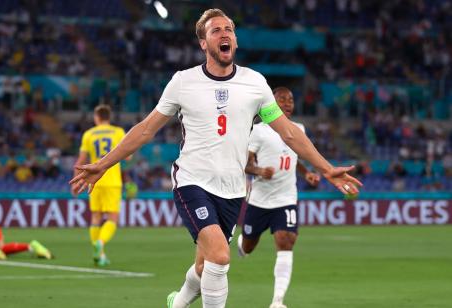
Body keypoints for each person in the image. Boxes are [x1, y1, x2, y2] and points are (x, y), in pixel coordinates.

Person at [70, 9, 361, 308]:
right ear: (203, 43)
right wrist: (103, 164)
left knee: (204, 266)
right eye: (216, 30)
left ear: (234, 39)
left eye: (229, 29)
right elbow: (145, 130)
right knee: (220, 258)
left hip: (233, 190)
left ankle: (177, 302)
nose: (224, 34)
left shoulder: (255, 83)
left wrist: (326, 168)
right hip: (192, 182)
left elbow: (289, 133)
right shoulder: (183, 82)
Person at [237, 87, 321, 308]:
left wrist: (307, 173)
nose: (288, 103)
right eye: (282, 99)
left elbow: (294, 157)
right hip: (259, 201)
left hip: (286, 199)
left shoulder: (298, 129)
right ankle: (242, 243)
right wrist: (259, 171)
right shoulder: (259, 130)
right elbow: (245, 164)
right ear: (271, 104)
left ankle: (277, 301)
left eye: (291, 99)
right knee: (248, 247)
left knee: (286, 241)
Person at [72, 104, 126, 266]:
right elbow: (128, 156)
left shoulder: (88, 134)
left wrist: (76, 181)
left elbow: (81, 161)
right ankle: (100, 243)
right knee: (112, 218)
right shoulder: (118, 132)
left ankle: (99, 254)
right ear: (109, 117)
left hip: (93, 180)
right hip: (112, 180)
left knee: (95, 217)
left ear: (97, 117)